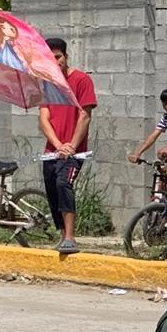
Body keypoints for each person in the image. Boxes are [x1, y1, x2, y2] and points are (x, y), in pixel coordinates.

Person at [40, 37, 97, 255]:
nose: (55, 62)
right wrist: (57, 145)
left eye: (58, 57)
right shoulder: (48, 82)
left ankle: (71, 237)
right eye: (50, 58)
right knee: (52, 189)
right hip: (52, 151)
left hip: (75, 152)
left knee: (64, 184)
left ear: (66, 56)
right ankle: (62, 235)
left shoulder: (81, 80)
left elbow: (85, 115)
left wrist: (71, 146)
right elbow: (44, 118)